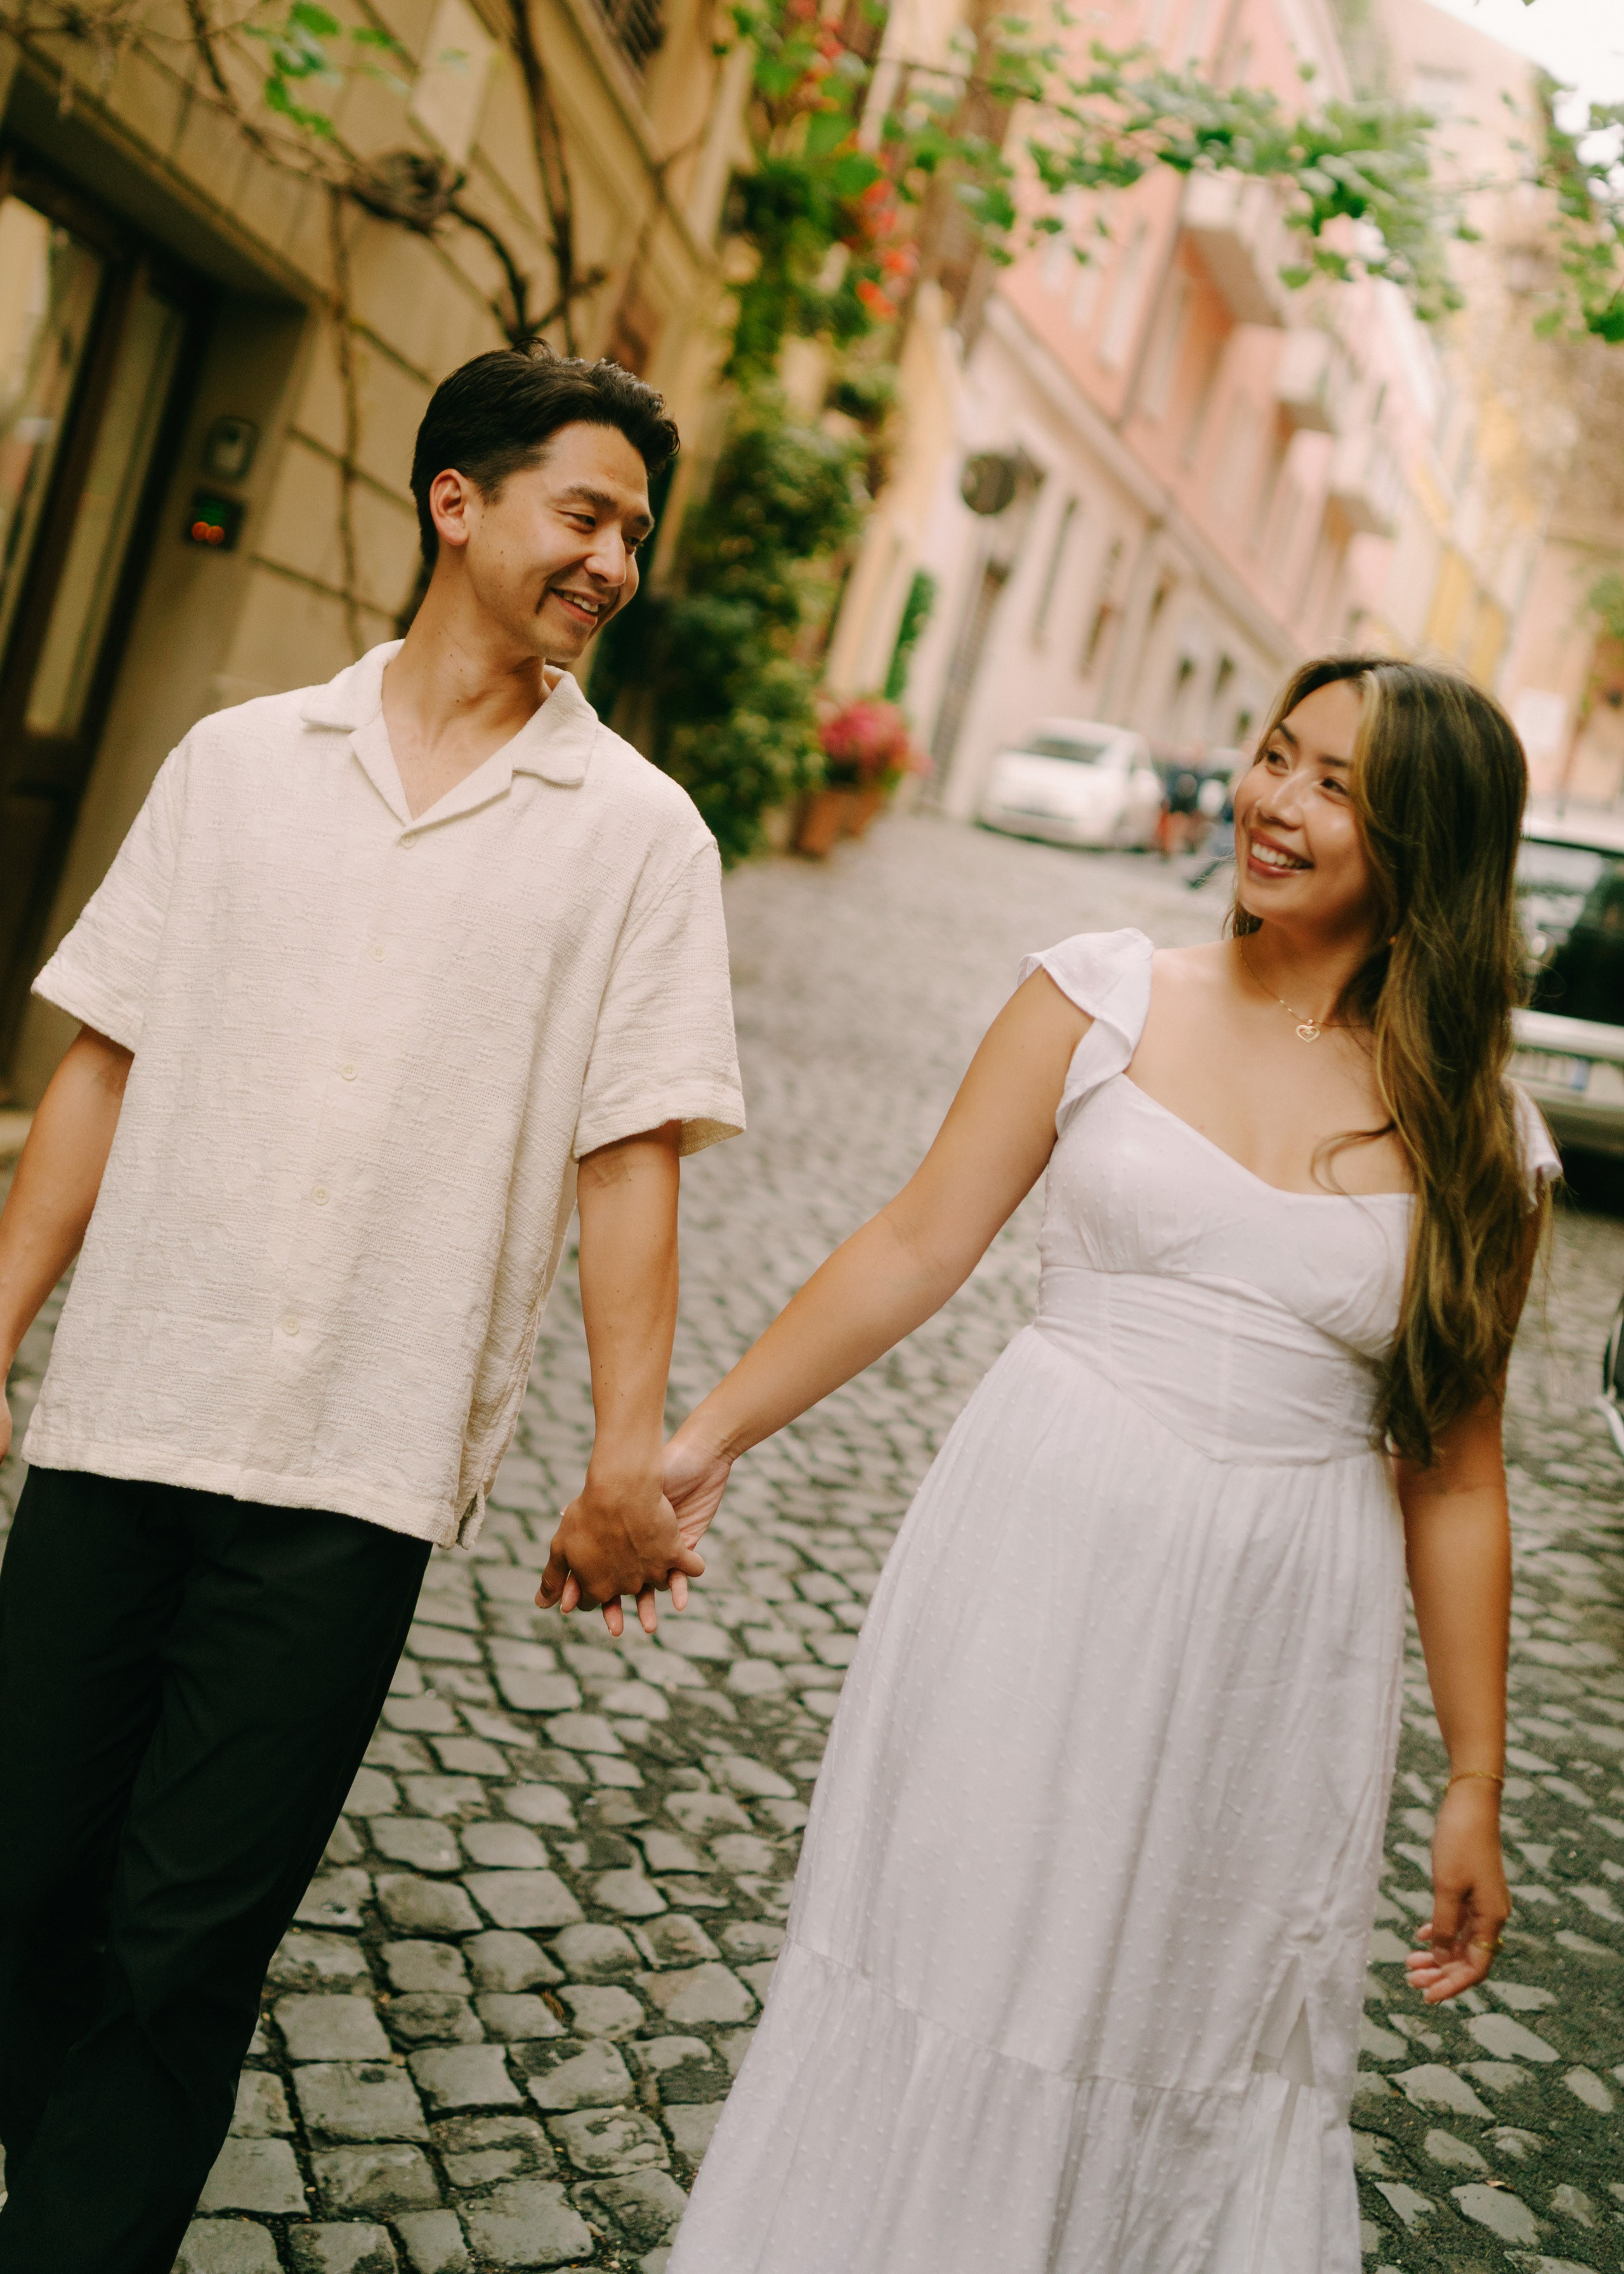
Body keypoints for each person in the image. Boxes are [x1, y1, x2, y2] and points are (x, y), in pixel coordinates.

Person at [637, 656, 1555, 2273]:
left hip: (1282, 1628)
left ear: (1426, 838)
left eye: (1333, 783)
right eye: (1272, 755)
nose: (1271, 800)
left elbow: (1456, 1472)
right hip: (1040, 1549)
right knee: (962, 1950)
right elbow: (915, 1243)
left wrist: (1472, 1780)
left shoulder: (1483, 1139)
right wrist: (698, 1442)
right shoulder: (1099, 993)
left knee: (1191, 2004)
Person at [0, 341, 743, 2271]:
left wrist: (625, 1457)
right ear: (457, 501)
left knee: (185, 1942)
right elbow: (104, 1057)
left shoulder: (639, 836)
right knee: (20, 1874)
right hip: (128, 1408)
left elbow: (630, 1158)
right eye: (585, 515)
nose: (614, 563)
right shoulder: (239, 762)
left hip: (356, 1468)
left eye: (636, 534)